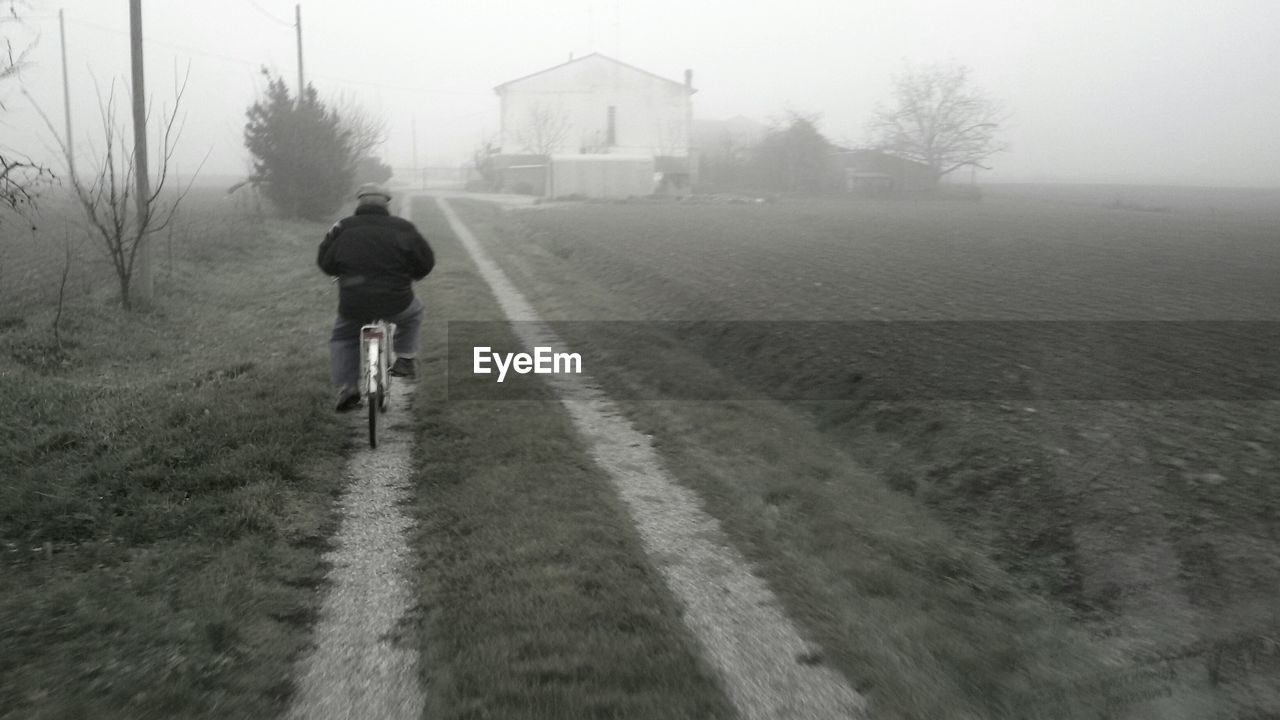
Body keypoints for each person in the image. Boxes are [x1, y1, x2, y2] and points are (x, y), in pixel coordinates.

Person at [317, 183, 435, 411]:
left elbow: (326, 262)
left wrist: (339, 272)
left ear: (359, 203)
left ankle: (349, 388)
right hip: (397, 300)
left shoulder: (342, 228)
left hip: (354, 302)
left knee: (343, 337)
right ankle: (404, 358)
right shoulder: (404, 228)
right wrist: (414, 275)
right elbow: (426, 261)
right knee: (414, 313)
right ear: (386, 204)